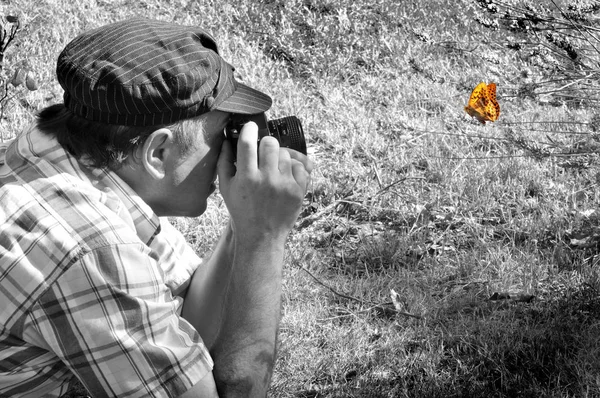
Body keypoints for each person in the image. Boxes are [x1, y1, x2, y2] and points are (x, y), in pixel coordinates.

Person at [0, 17, 312, 398]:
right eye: (221, 136)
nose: (227, 153)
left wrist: (245, 224)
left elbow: (190, 317)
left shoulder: (50, 152)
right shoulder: (92, 251)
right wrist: (265, 237)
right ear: (158, 152)